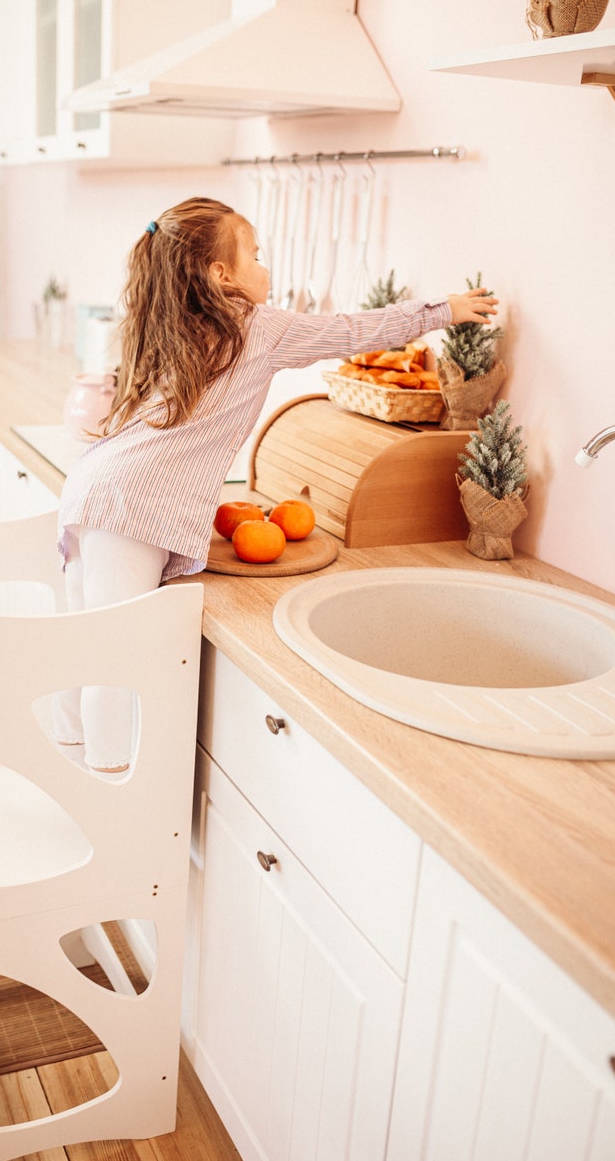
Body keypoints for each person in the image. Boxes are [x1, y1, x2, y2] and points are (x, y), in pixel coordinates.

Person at [54, 196, 498, 771]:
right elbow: (351, 330)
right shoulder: (259, 329)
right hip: (131, 508)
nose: (266, 267)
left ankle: (69, 756)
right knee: (117, 656)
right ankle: (110, 783)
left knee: (82, 638)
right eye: (256, 255)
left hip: (97, 486)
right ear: (221, 275)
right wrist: (445, 310)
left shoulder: (169, 319)